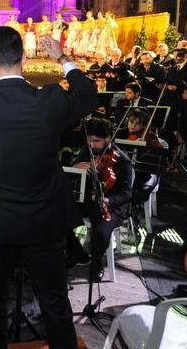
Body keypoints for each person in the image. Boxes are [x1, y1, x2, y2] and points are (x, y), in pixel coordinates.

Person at [0, 27, 96, 348]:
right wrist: (62, 58)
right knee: (54, 302)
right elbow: (88, 96)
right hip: (43, 222)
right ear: (25, 58)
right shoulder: (51, 100)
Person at [66, 118, 135, 280]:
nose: (91, 145)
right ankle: (78, 252)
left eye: (96, 141)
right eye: (89, 140)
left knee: (101, 232)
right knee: (59, 216)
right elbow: (73, 168)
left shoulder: (123, 161)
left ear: (109, 139)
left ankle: (96, 263)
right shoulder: (87, 150)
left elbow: (126, 194)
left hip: (112, 205)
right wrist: (76, 166)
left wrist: (107, 201)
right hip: (88, 199)